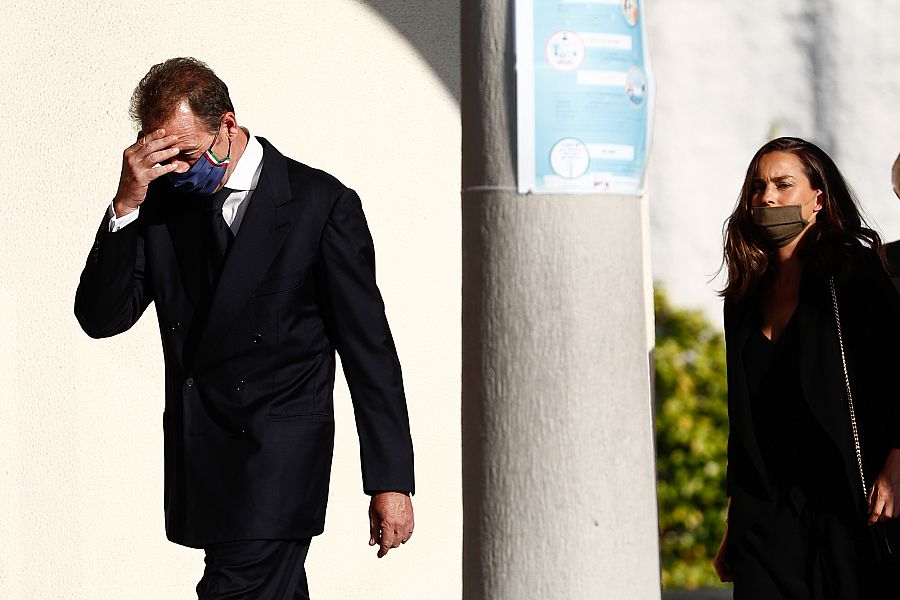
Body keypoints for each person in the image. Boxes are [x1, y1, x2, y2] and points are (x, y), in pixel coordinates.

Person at [74, 57, 415, 599]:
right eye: (162, 157)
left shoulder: (319, 205)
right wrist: (127, 203)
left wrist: (390, 481)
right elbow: (101, 316)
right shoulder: (162, 205)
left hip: (276, 464)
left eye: (186, 153)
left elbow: (368, 351)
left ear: (227, 125)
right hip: (203, 457)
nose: (179, 170)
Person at [712, 137, 900, 598]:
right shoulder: (744, 292)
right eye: (758, 188)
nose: (768, 197)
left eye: (783, 184)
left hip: (847, 500)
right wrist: (733, 522)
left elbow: (898, 368)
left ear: (818, 199)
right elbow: (744, 418)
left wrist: (897, 463)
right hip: (766, 514)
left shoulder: (851, 270)